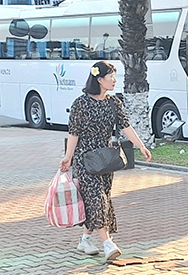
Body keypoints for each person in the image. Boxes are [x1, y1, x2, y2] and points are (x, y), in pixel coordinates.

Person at [59, 61, 152, 261]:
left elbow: (125, 126)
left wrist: (141, 146)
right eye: (111, 77)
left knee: (102, 198)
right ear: (99, 80)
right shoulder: (80, 103)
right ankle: (107, 243)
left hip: (106, 158)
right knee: (97, 198)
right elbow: (73, 133)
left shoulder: (113, 102)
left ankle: (85, 239)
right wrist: (68, 158)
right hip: (85, 158)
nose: (114, 81)